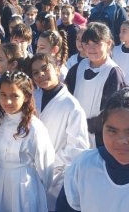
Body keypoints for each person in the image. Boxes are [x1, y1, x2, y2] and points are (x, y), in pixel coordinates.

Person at [30, 53, 90, 210]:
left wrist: (49, 162)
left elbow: (78, 148)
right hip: (30, 173)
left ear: (56, 68)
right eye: (35, 72)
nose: (41, 75)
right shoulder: (32, 98)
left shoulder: (72, 106)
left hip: (56, 177)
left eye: (45, 68)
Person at [0, 71, 55, 212]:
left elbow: (46, 167)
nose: (8, 101)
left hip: (24, 187)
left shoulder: (34, 127)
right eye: (3, 95)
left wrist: (37, 189)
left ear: (25, 97)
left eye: (14, 96)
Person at [65, 22, 126, 147]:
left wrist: (85, 124)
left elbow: (111, 112)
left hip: (98, 137)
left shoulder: (113, 72)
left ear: (108, 44)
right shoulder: (78, 68)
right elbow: (66, 96)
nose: (91, 49)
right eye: (87, 44)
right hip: (74, 133)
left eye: (97, 44)